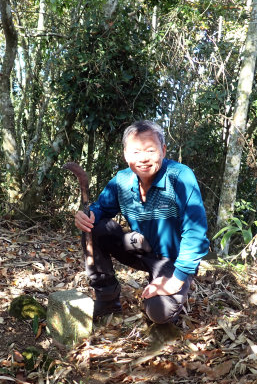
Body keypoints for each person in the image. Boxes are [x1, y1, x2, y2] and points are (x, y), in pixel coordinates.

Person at [74, 120, 209, 324]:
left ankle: (166, 292)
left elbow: (195, 232)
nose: (143, 158)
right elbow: (100, 209)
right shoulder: (122, 180)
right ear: (125, 154)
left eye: (150, 150)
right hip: (141, 248)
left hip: (173, 261)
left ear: (163, 150)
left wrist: (176, 280)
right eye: (136, 152)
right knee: (94, 227)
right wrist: (87, 215)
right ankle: (107, 299)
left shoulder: (180, 177)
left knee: (159, 312)